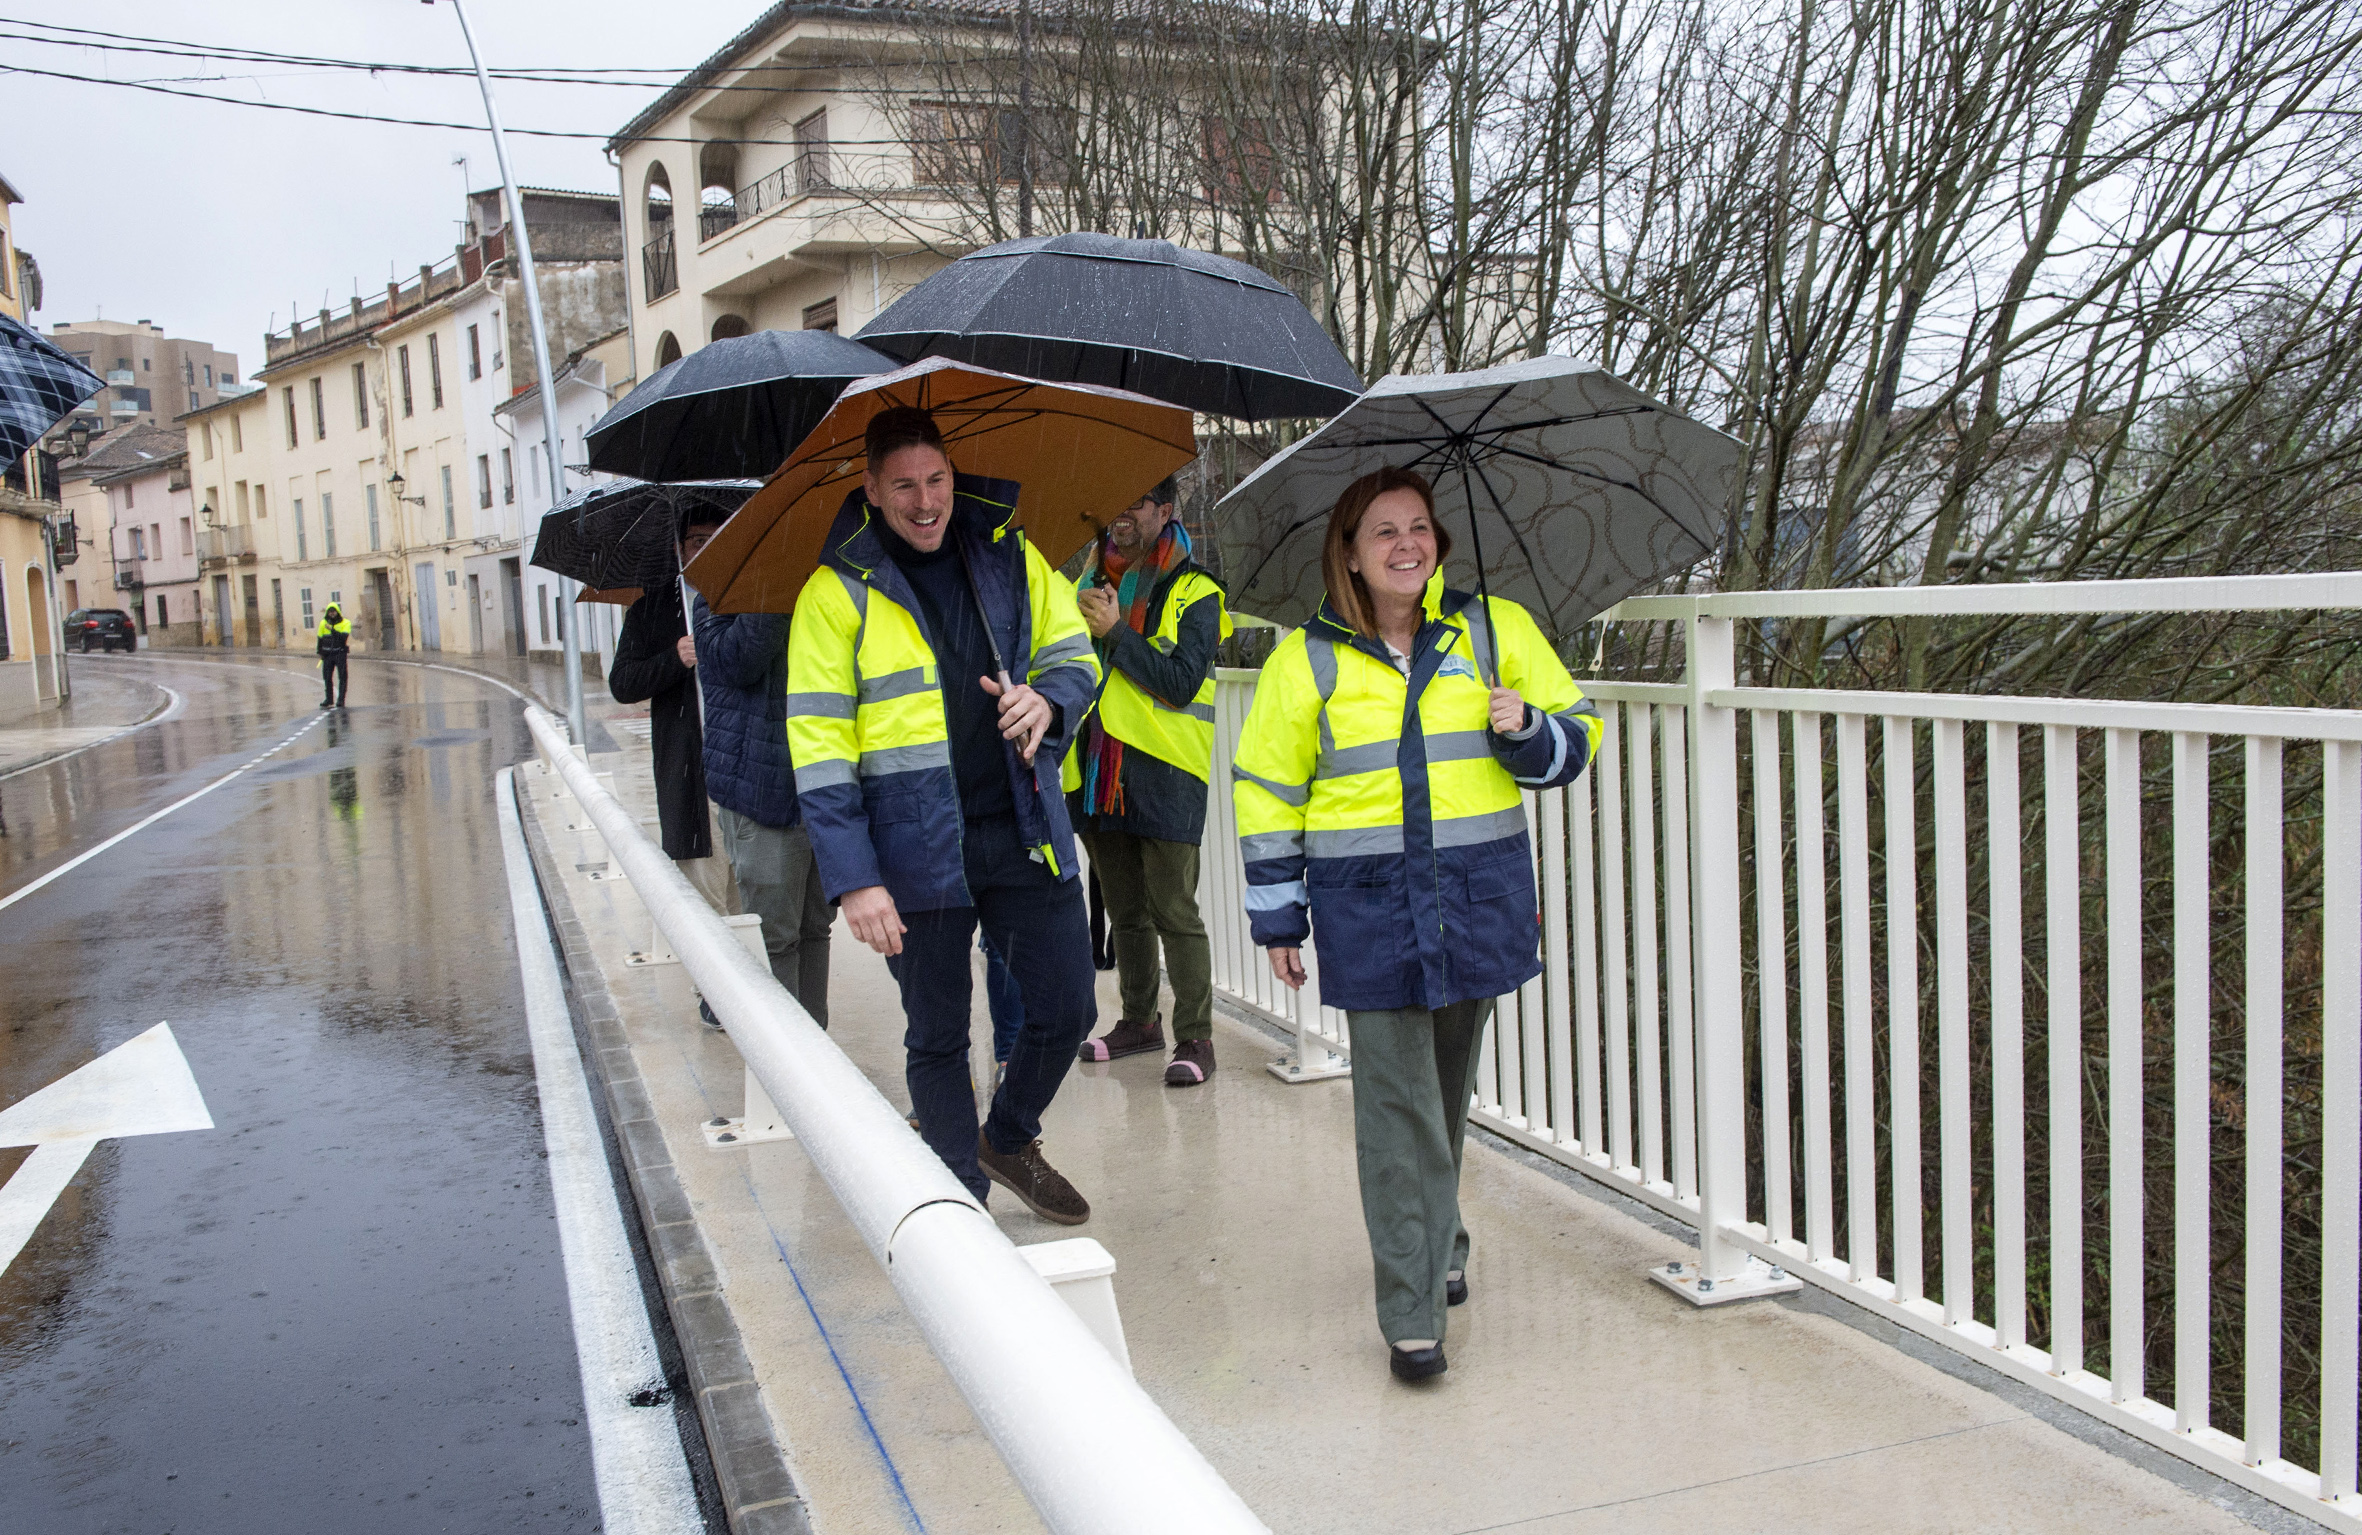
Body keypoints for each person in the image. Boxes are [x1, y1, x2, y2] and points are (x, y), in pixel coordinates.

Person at [1231, 465, 1601, 1383]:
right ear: (1349, 554)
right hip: (1368, 905)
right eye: (1384, 531)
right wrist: (1279, 913)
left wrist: (1529, 730)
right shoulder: (1304, 660)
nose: (1408, 545)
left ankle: (1442, 1240)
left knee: (1443, 1089)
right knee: (1395, 1108)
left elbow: (1579, 737)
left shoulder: (1491, 628)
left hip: (1475, 894)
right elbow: (1268, 791)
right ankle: (1411, 1309)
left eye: (1420, 527)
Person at [787, 406, 1102, 1222]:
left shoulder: (1008, 552)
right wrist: (854, 880)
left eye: (937, 480)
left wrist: (1050, 701)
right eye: (905, 486)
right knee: (937, 1036)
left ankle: (1008, 1134)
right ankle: (962, 1215)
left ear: (953, 477)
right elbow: (820, 753)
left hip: (1024, 828)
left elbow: (1074, 656)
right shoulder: (832, 593)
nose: (926, 502)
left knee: (1067, 1006)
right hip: (913, 854)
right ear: (870, 488)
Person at [1070, 475, 1232, 1086]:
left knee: (1174, 909)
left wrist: (1115, 632)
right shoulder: (1087, 585)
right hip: (1099, 768)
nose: (1122, 512)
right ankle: (1139, 1021)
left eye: (1136, 501)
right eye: (1118, 500)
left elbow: (1181, 681)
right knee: (1124, 909)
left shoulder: (1196, 591)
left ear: (1165, 511)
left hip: (1167, 769)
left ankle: (1196, 1037)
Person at [695, 591, 832, 1026]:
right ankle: (785, 1057)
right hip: (761, 793)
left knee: (816, 926)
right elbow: (737, 662)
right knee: (774, 934)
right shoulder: (716, 600)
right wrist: (773, 598)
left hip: (821, 787)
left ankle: (816, 1044)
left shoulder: (821, 588)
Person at [609, 510, 737, 936]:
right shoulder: (655, 608)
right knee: (706, 905)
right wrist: (674, 657)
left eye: (720, 538)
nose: (708, 549)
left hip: (745, 771)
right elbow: (623, 683)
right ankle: (712, 999)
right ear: (680, 548)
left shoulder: (746, 595)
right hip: (691, 775)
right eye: (698, 540)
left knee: (750, 907)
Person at [316, 603, 351, 707]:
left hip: (340, 653)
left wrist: (332, 630)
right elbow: (320, 639)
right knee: (327, 678)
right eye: (330, 612)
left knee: (342, 677)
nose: (332, 613)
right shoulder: (323, 623)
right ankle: (329, 699)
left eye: (334, 611)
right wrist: (320, 652)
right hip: (327, 655)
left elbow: (343, 638)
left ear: (338, 612)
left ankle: (341, 700)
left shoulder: (346, 623)